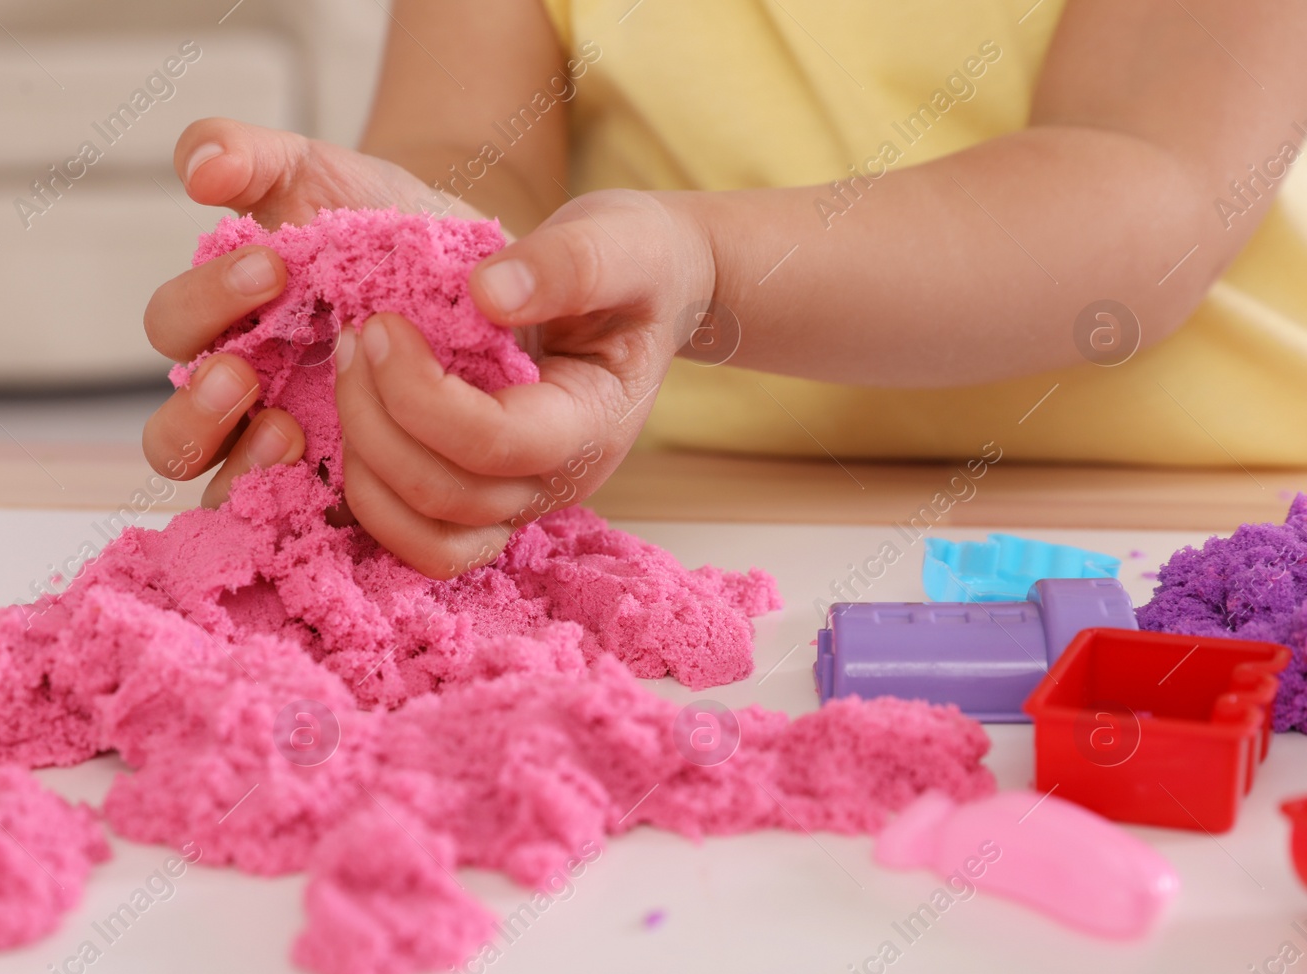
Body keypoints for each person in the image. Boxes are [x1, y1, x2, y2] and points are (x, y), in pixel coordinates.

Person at [141, 0, 1307, 578]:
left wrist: (701, 268)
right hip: (685, 502)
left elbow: (1143, 191)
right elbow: (463, 149)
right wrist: (415, 278)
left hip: (1180, 518)